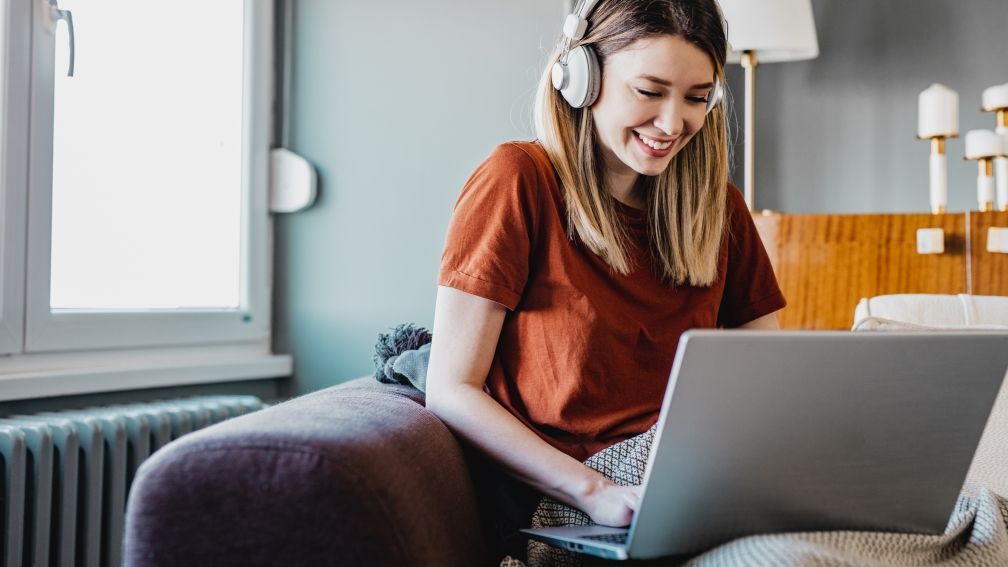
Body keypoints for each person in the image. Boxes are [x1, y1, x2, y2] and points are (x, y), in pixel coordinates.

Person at [425, 0, 786, 563]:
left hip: (702, 480)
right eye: (649, 91)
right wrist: (596, 493)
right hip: (585, 497)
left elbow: (772, 384)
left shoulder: (719, 210)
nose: (674, 124)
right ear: (581, 77)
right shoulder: (517, 180)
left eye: (697, 98)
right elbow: (450, 390)